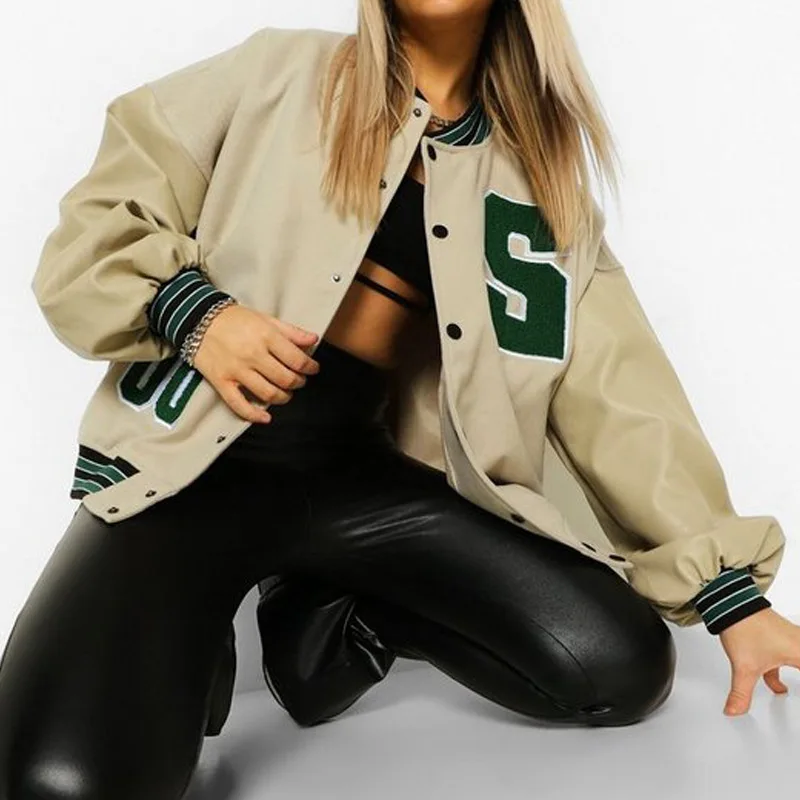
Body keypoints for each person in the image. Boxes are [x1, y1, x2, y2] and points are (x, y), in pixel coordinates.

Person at [0, 0, 795, 797]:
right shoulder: (276, 72)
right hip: (187, 471)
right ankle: (194, 624)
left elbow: (622, 395)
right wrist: (198, 315)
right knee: (58, 784)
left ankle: (333, 606)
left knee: (619, 661)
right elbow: (96, 223)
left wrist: (732, 600)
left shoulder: (542, 187)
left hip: (355, 476)